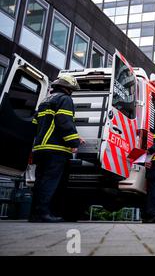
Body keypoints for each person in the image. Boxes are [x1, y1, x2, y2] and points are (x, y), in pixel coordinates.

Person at [30, 74, 84, 222]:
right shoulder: (65, 99)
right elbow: (64, 122)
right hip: (56, 149)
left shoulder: (45, 101)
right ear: (68, 88)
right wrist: (73, 142)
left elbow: (35, 124)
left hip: (40, 148)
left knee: (40, 181)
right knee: (50, 182)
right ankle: (43, 214)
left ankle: (34, 214)